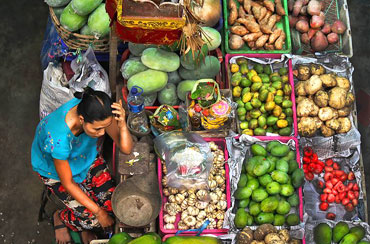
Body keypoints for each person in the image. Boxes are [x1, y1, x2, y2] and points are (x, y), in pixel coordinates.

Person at [31, 87, 133, 244]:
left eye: (104, 127)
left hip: (84, 156)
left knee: (113, 205)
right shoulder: (58, 138)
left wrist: (122, 125)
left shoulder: (98, 112)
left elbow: (126, 148)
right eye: (97, 129)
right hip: (55, 171)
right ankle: (60, 217)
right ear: (81, 119)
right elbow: (68, 183)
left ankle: (86, 225)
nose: (102, 133)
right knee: (95, 220)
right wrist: (99, 213)